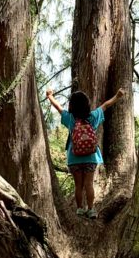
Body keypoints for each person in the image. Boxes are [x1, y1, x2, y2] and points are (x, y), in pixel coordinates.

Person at [45, 86, 123, 218]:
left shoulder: (70, 118)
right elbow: (105, 105)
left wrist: (50, 96)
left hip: (74, 157)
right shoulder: (92, 117)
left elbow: (58, 107)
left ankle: (80, 209)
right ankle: (91, 210)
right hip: (91, 157)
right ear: (87, 104)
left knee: (78, 185)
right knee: (89, 184)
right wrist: (118, 96)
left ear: (71, 106)